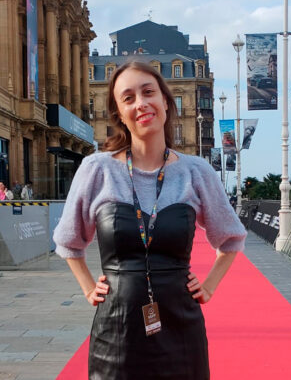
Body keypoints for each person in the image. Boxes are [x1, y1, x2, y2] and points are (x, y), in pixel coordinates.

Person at [53, 61, 247, 379]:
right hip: (115, 333)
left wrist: (209, 286)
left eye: (148, 92)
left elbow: (231, 237)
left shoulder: (196, 171)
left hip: (181, 329)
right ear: (119, 113)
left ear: (166, 102)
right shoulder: (96, 169)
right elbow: (68, 241)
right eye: (128, 98)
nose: (141, 103)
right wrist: (89, 288)